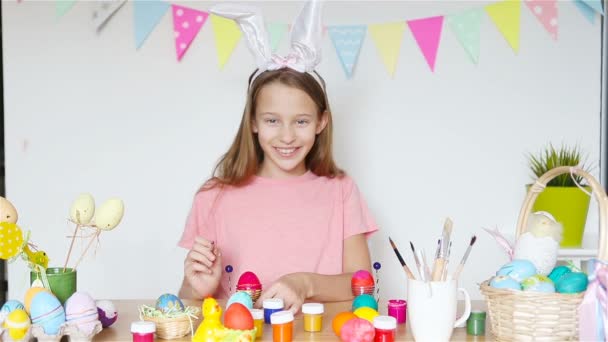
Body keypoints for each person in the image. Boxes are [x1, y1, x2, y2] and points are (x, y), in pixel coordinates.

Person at [177, 0, 378, 313]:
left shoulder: (341, 190)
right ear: (254, 122)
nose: (287, 136)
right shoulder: (213, 196)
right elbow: (186, 299)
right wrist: (196, 286)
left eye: (301, 121)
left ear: (321, 122)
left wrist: (304, 282)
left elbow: (362, 283)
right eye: (272, 120)